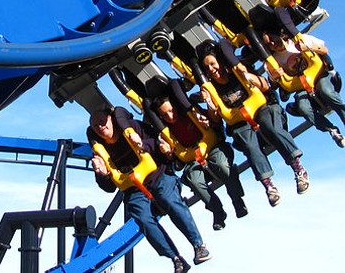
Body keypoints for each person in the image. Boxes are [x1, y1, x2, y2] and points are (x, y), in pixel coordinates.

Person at [88, 105, 211, 273]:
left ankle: (199, 245)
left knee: (169, 200)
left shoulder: (132, 127)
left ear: (111, 119)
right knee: (142, 217)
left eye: (103, 122)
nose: (101, 127)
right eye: (96, 126)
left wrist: (142, 145)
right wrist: (102, 174)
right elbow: (108, 188)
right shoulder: (99, 152)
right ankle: (175, 258)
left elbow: (157, 142)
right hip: (135, 189)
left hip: (157, 175)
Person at [197, 41, 309, 207]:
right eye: (207, 68)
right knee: (249, 143)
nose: (212, 70)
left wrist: (250, 78)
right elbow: (216, 120)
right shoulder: (211, 88)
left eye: (213, 64)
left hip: (264, 109)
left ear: (220, 61)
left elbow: (266, 86)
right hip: (241, 122)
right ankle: (269, 185)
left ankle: (298, 168)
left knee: (270, 127)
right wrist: (211, 107)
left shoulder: (239, 69)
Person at [149, 87, 247, 231]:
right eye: (165, 115)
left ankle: (237, 200)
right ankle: (217, 211)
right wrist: (169, 153)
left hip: (213, 148)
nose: (170, 116)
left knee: (221, 165)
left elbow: (216, 122)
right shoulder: (165, 133)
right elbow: (175, 160)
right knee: (194, 180)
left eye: (171, 111)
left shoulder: (192, 112)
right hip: (193, 159)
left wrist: (209, 118)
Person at [262, 30, 345, 147]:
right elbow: (273, 83)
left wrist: (308, 47)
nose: (273, 44)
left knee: (326, 91)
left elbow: (324, 50)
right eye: (269, 44)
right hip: (300, 85)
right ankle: (331, 130)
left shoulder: (300, 40)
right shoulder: (272, 61)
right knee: (303, 107)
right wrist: (275, 76)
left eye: (274, 39)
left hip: (318, 76)